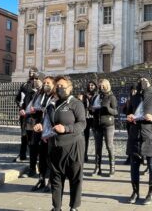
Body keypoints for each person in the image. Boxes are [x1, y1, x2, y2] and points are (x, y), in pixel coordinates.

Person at [34, 75, 86, 211]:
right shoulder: (52, 104)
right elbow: (48, 122)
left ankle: (74, 207)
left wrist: (66, 128)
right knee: (56, 179)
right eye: (58, 86)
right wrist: (42, 128)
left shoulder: (75, 103)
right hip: (55, 146)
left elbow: (82, 124)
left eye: (63, 86)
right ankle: (56, 207)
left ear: (70, 88)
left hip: (73, 146)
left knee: (75, 179)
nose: (60, 88)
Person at [126, 73, 152, 205]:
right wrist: (130, 116)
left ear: (149, 82)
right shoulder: (134, 97)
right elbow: (128, 112)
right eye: (139, 80)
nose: (141, 82)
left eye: (144, 80)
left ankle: (151, 193)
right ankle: (135, 192)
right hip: (135, 135)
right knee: (134, 166)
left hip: (150, 136)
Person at [31, 76, 56, 192]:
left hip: (50, 131)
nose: (46, 84)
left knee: (51, 157)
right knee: (41, 156)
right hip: (39, 129)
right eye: (44, 82)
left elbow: (53, 116)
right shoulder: (40, 96)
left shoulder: (55, 97)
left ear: (53, 85)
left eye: (48, 83)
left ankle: (51, 181)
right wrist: (33, 112)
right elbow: (36, 114)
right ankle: (41, 180)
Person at [91, 79, 118, 176]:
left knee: (109, 146)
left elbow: (115, 112)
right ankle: (97, 168)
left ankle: (112, 168)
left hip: (108, 124)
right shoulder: (97, 97)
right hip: (97, 124)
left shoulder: (111, 97)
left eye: (103, 86)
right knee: (98, 147)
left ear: (107, 85)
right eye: (100, 86)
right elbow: (91, 110)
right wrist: (92, 109)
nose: (101, 87)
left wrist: (108, 109)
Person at [14, 66, 39, 162]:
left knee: (35, 136)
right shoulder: (24, 85)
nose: (30, 73)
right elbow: (17, 98)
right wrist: (21, 109)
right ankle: (22, 154)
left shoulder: (39, 85)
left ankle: (35, 156)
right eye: (29, 71)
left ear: (37, 73)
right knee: (24, 136)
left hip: (35, 115)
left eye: (33, 71)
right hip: (25, 114)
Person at [23, 73, 44, 177]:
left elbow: (46, 108)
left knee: (39, 147)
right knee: (32, 146)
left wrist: (36, 109)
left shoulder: (45, 93)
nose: (35, 81)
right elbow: (27, 104)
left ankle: (42, 170)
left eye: (37, 79)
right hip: (31, 121)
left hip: (41, 122)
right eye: (34, 79)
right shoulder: (33, 92)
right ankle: (32, 168)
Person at [78, 81, 98, 163]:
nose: (90, 86)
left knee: (97, 138)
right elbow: (80, 105)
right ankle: (84, 155)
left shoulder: (97, 95)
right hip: (85, 117)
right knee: (85, 138)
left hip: (94, 118)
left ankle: (97, 157)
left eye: (92, 85)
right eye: (89, 85)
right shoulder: (84, 95)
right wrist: (80, 100)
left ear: (95, 86)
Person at [123, 84, 137, 165]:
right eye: (132, 90)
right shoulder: (129, 100)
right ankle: (129, 157)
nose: (133, 92)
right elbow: (124, 110)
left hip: (136, 123)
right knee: (130, 141)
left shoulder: (139, 99)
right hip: (130, 123)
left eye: (135, 90)